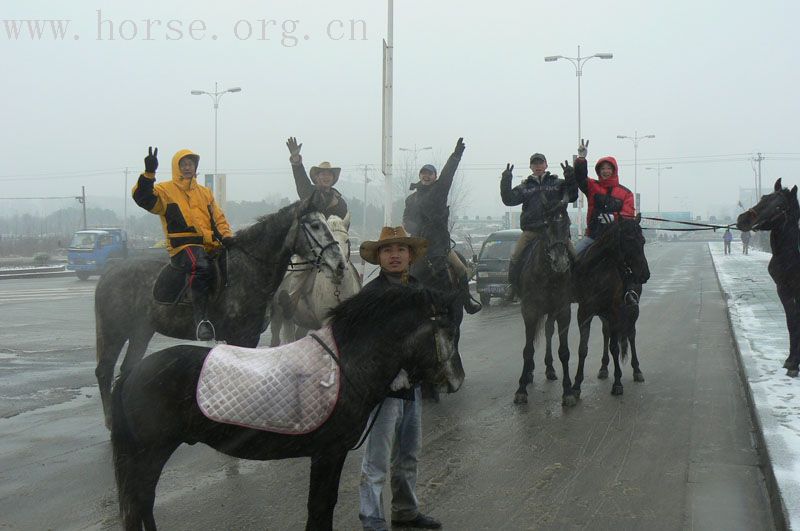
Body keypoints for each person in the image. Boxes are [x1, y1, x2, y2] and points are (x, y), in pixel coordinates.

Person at [357, 226, 441, 531]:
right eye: (388, 250)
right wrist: (385, 373)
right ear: (379, 257)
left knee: (408, 454)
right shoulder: (371, 295)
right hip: (383, 391)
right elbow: (363, 343)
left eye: (401, 250)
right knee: (377, 460)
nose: (395, 256)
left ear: (410, 256)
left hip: (413, 387)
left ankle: (406, 510)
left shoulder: (419, 290)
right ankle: (371, 520)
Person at [132, 147, 233, 341]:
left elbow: (218, 219)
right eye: (184, 164)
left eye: (191, 164)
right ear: (176, 167)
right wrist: (148, 174)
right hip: (183, 247)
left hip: (209, 245)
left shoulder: (205, 193)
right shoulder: (165, 191)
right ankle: (201, 321)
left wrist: (227, 237)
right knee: (200, 264)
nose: (188, 167)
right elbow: (143, 198)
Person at [403, 137, 481, 314]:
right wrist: (414, 226)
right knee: (399, 271)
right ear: (420, 176)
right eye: (423, 173)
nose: (426, 176)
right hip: (417, 246)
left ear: (435, 176)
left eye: (429, 173)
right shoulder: (411, 199)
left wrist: (456, 156)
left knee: (461, 269)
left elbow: (449, 174)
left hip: (440, 245)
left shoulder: (440, 190)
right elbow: (405, 220)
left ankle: (467, 301)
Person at [500, 152, 578, 301]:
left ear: (546, 165)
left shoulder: (557, 183)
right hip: (532, 231)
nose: (538, 166)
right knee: (516, 256)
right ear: (531, 167)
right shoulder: (524, 187)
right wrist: (506, 179)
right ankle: (513, 287)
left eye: (540, 163)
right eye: (535, 164)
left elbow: (573, 195)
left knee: (574, 255)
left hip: (555, 232)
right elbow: (508, 200)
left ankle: (577, 286)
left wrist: (570, 176)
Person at [572, 139, 640, 305]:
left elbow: (628, 215)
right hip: (593, 237)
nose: (605, 171)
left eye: (609, 168)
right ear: (598, 171)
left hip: (616, 240)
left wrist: (614, 218)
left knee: (633, 260)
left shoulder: (626, 193)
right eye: (602, 169)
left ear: (614, 170)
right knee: (573, 258)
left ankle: (630, 292)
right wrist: (581, 158)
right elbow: (580, 178)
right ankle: (571, 290)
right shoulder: (592, 186)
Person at [286, 136, 348, 218]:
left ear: (333, 178)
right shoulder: (309, 193)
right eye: (323, 174)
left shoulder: (340, 203)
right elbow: (300, 179)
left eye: (329, 174)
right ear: (317, 178)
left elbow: (344, 225)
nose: (326, 177)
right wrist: (296, 159)